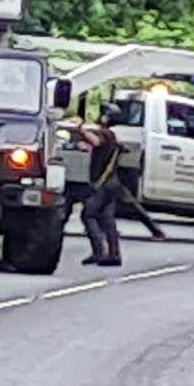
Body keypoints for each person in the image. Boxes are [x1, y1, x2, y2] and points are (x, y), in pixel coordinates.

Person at [79, 104, 126, 266]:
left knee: (88, 215)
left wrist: (81, 129)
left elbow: (97, 142)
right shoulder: (113, 137)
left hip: (102, 184)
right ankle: (114, 254)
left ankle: (99, 251)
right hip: (112, 183)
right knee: (107, 219)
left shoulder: (105, 134)